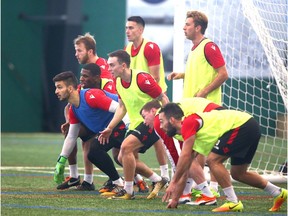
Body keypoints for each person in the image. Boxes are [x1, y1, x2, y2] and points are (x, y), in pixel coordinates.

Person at [160, 102, 287, 212]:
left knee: (213, 160)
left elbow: (185, 156)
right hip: (249, 125)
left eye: (162, 121)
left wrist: (173, 182)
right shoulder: (191, 132)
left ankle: (233, 202)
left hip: (242, 126)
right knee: (238, 174)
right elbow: (186, 168)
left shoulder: (188, 122)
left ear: (171, 120)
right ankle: (278, 192)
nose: (160, 126)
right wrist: (175, 199)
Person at [167, 10, 229, 197]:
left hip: (207, 106)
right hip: (194, 106)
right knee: (197, 149)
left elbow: (223, 74)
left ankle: (213, 190)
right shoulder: (195, 48)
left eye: (187, 24)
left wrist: (203, 92)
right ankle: (200, 187)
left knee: (204, 150)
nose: (184, 28)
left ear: (198, 27)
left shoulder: (209, 47)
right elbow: (202, 72)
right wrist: (182, 75)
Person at [98, 50, 170, 200]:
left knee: (125, 148)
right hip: (134, 124)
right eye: (108, 65)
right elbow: (122, 107)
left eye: (112, 65)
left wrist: (165, 121)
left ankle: (129, 191)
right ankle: (157, 179)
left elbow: (163, 98)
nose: (109, 68)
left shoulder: (142, 79)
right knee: (121, 157)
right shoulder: (117, 81)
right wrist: (110, 128)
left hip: (151, 122)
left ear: (123, 65)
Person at [140, 98, 223, 205]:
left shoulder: (159, 121)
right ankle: (187, 193)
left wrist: (174, 183)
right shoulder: (169, 115)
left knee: (187, 157)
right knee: (190, 156)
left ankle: (208, 195)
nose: (144, 121)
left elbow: (176, 156)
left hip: (214, 116)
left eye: (144, 116)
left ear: (153, 111)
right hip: (215, 114)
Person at [53, 70, 125, 193]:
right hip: (111, 129)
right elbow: (71, 136)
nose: (56, 91)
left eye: (59, 87)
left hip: (124, 125)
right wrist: (61, 161)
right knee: (96, 153)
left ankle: (125, 183)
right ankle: (121, 182)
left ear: (70, 89)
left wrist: (132, 132)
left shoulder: (90, 96)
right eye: (56, 88)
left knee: (111, 154)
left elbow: (121, 109)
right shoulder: (73, 110)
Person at [125, 16, 170, 184]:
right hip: (137, 102)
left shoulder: (150, 47)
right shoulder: (128, 49)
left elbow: (155, 78)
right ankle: (138, 178)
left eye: (131, 28)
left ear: (141, 30)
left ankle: (165, 174)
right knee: (128, 145)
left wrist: (152, 106)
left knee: (161, 136)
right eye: (126, 28)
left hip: (154, 100)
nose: (128, 31)